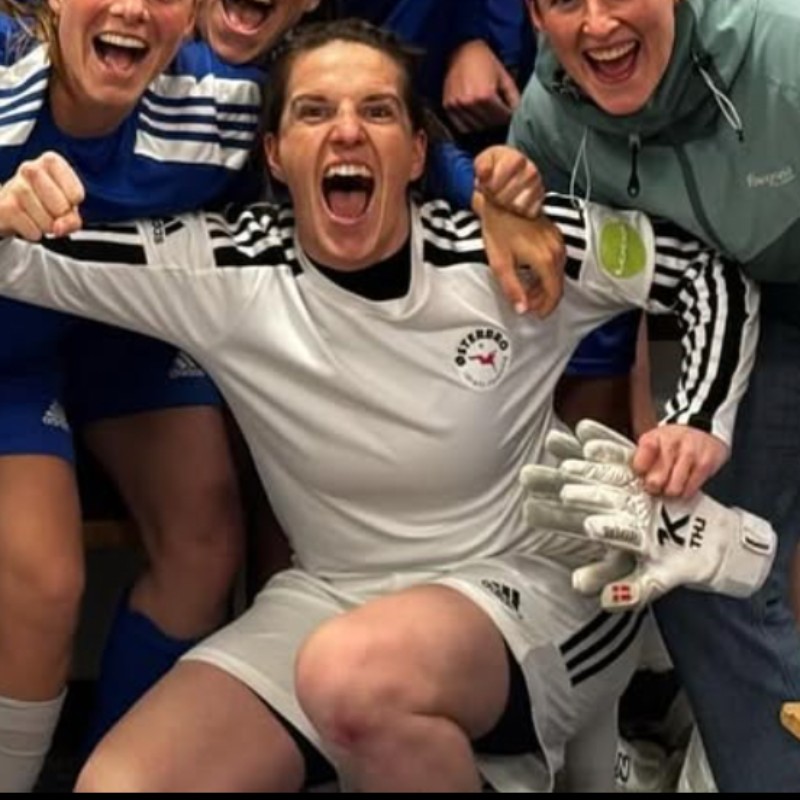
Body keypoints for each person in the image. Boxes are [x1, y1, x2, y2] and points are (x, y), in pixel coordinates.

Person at [0, 19, 762, 792]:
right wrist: (7, 209)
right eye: (313, 111)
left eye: (377, 111)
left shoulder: (505, 248)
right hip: (330, 595)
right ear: (275, 154)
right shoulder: (225, 266)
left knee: (352, 676)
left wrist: (695, 418)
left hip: (528, 592)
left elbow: (702, 273)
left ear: (417, 152)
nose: (346, 132)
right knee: (120, 784)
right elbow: (23, 264)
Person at [479, 0, 800, 789]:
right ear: (535, 16)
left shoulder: (781, 43)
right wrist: (501, 207)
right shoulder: (549, 117)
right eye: (566, 1)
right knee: (699, 564)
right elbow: (558, 258)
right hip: (763, 303)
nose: (597, 23)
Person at [0, 0, 269, 787]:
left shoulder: (225, 100)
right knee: (44, 580)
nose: (130, 7)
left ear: (191, 19)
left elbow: (370, 120)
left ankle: (116, 776)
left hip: (123, 329)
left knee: (205, 543)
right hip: (8, 351)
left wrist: (489, 195)